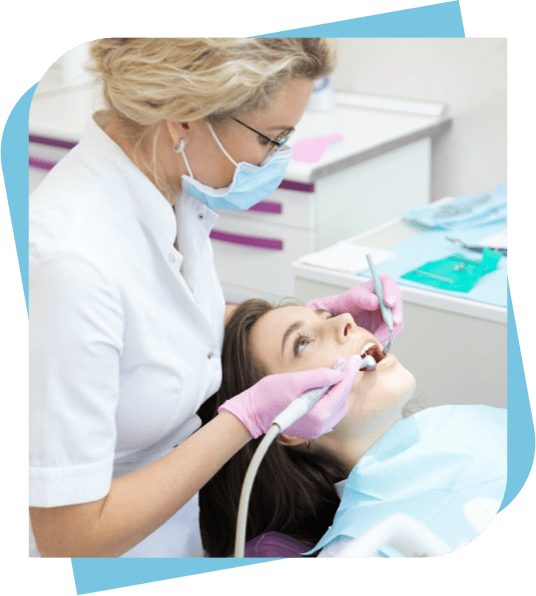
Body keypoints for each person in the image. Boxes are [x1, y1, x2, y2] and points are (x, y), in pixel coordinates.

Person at [28, 38, 405, 558]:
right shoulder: (70, 260)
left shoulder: (169, 184)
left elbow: (158, 321)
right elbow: (68, 538)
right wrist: (244, 420)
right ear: (186, 116)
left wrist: (314, 316)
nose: (277, 158)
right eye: (272, 138)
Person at [198, 298, 507, 558]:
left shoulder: (470, 420)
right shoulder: (363, 546)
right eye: (302, 343)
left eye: (328, 316)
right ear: (290, 425)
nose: (346, 319)